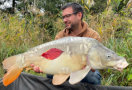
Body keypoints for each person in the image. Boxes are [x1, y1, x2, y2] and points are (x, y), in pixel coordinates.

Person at [32, 2, 102, 85]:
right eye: (63, 17)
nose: (64, 20)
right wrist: (43, 65)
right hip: (64, 68)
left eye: (68, 16)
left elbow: (95, 64)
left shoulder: (93, 36)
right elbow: (53, 57)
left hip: (84, 71)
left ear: (79, 15)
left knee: (92, 77)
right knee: (50, 73)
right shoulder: (60, 36)